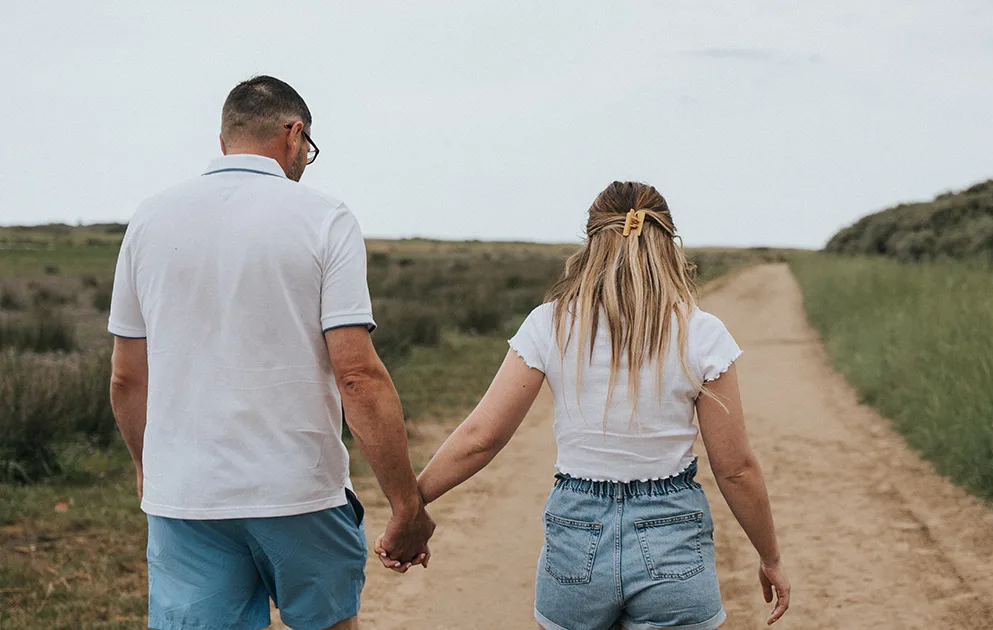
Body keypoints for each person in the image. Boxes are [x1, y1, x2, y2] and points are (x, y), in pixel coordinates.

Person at [108, 75, 434, 630]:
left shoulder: (149, 219)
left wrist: (147, 466)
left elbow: (126, 378)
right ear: (294, 134)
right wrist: (407, 505)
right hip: (300, 492)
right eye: (308, 148)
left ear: (224, 140)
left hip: (187, 497)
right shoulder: (325, 217)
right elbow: (357, 376)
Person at [402, 182, 791, 629]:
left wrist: (410, 505)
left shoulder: (549, 324)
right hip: (671, 536)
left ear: (590, 244)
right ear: (669, 244)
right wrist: (770, 557)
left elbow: (481, 438)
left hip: (576, 535)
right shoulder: (702, 333)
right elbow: (735, 468)